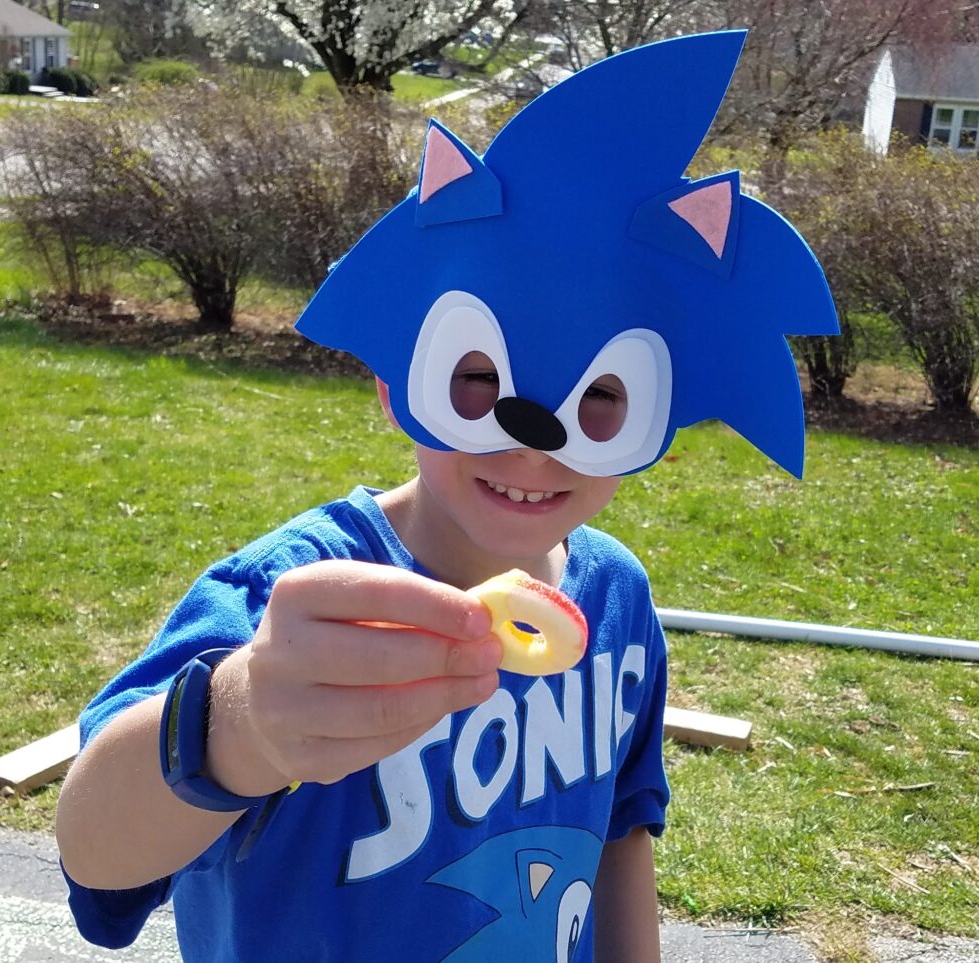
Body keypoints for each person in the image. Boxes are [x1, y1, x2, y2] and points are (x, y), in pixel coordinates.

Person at [57, 30, 836, 962]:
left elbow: (626, 826)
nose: (533, 440)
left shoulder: (617, 603)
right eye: (478, 380)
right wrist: (242, 723)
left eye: (601, 400)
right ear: (397, 380)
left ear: (654, 431)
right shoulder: (292, 599)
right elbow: (95, 855)